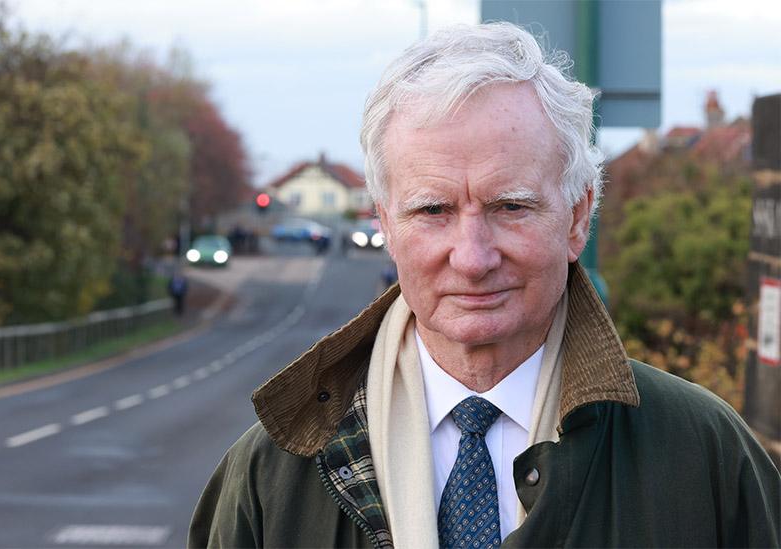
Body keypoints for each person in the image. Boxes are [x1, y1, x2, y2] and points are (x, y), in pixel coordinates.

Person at [189, 22, 781, 549]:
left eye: (511, 207)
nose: (472, 259)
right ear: (385, 224)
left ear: (578, 218)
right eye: (432, 211)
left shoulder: (704, 457)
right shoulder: (271, 478)